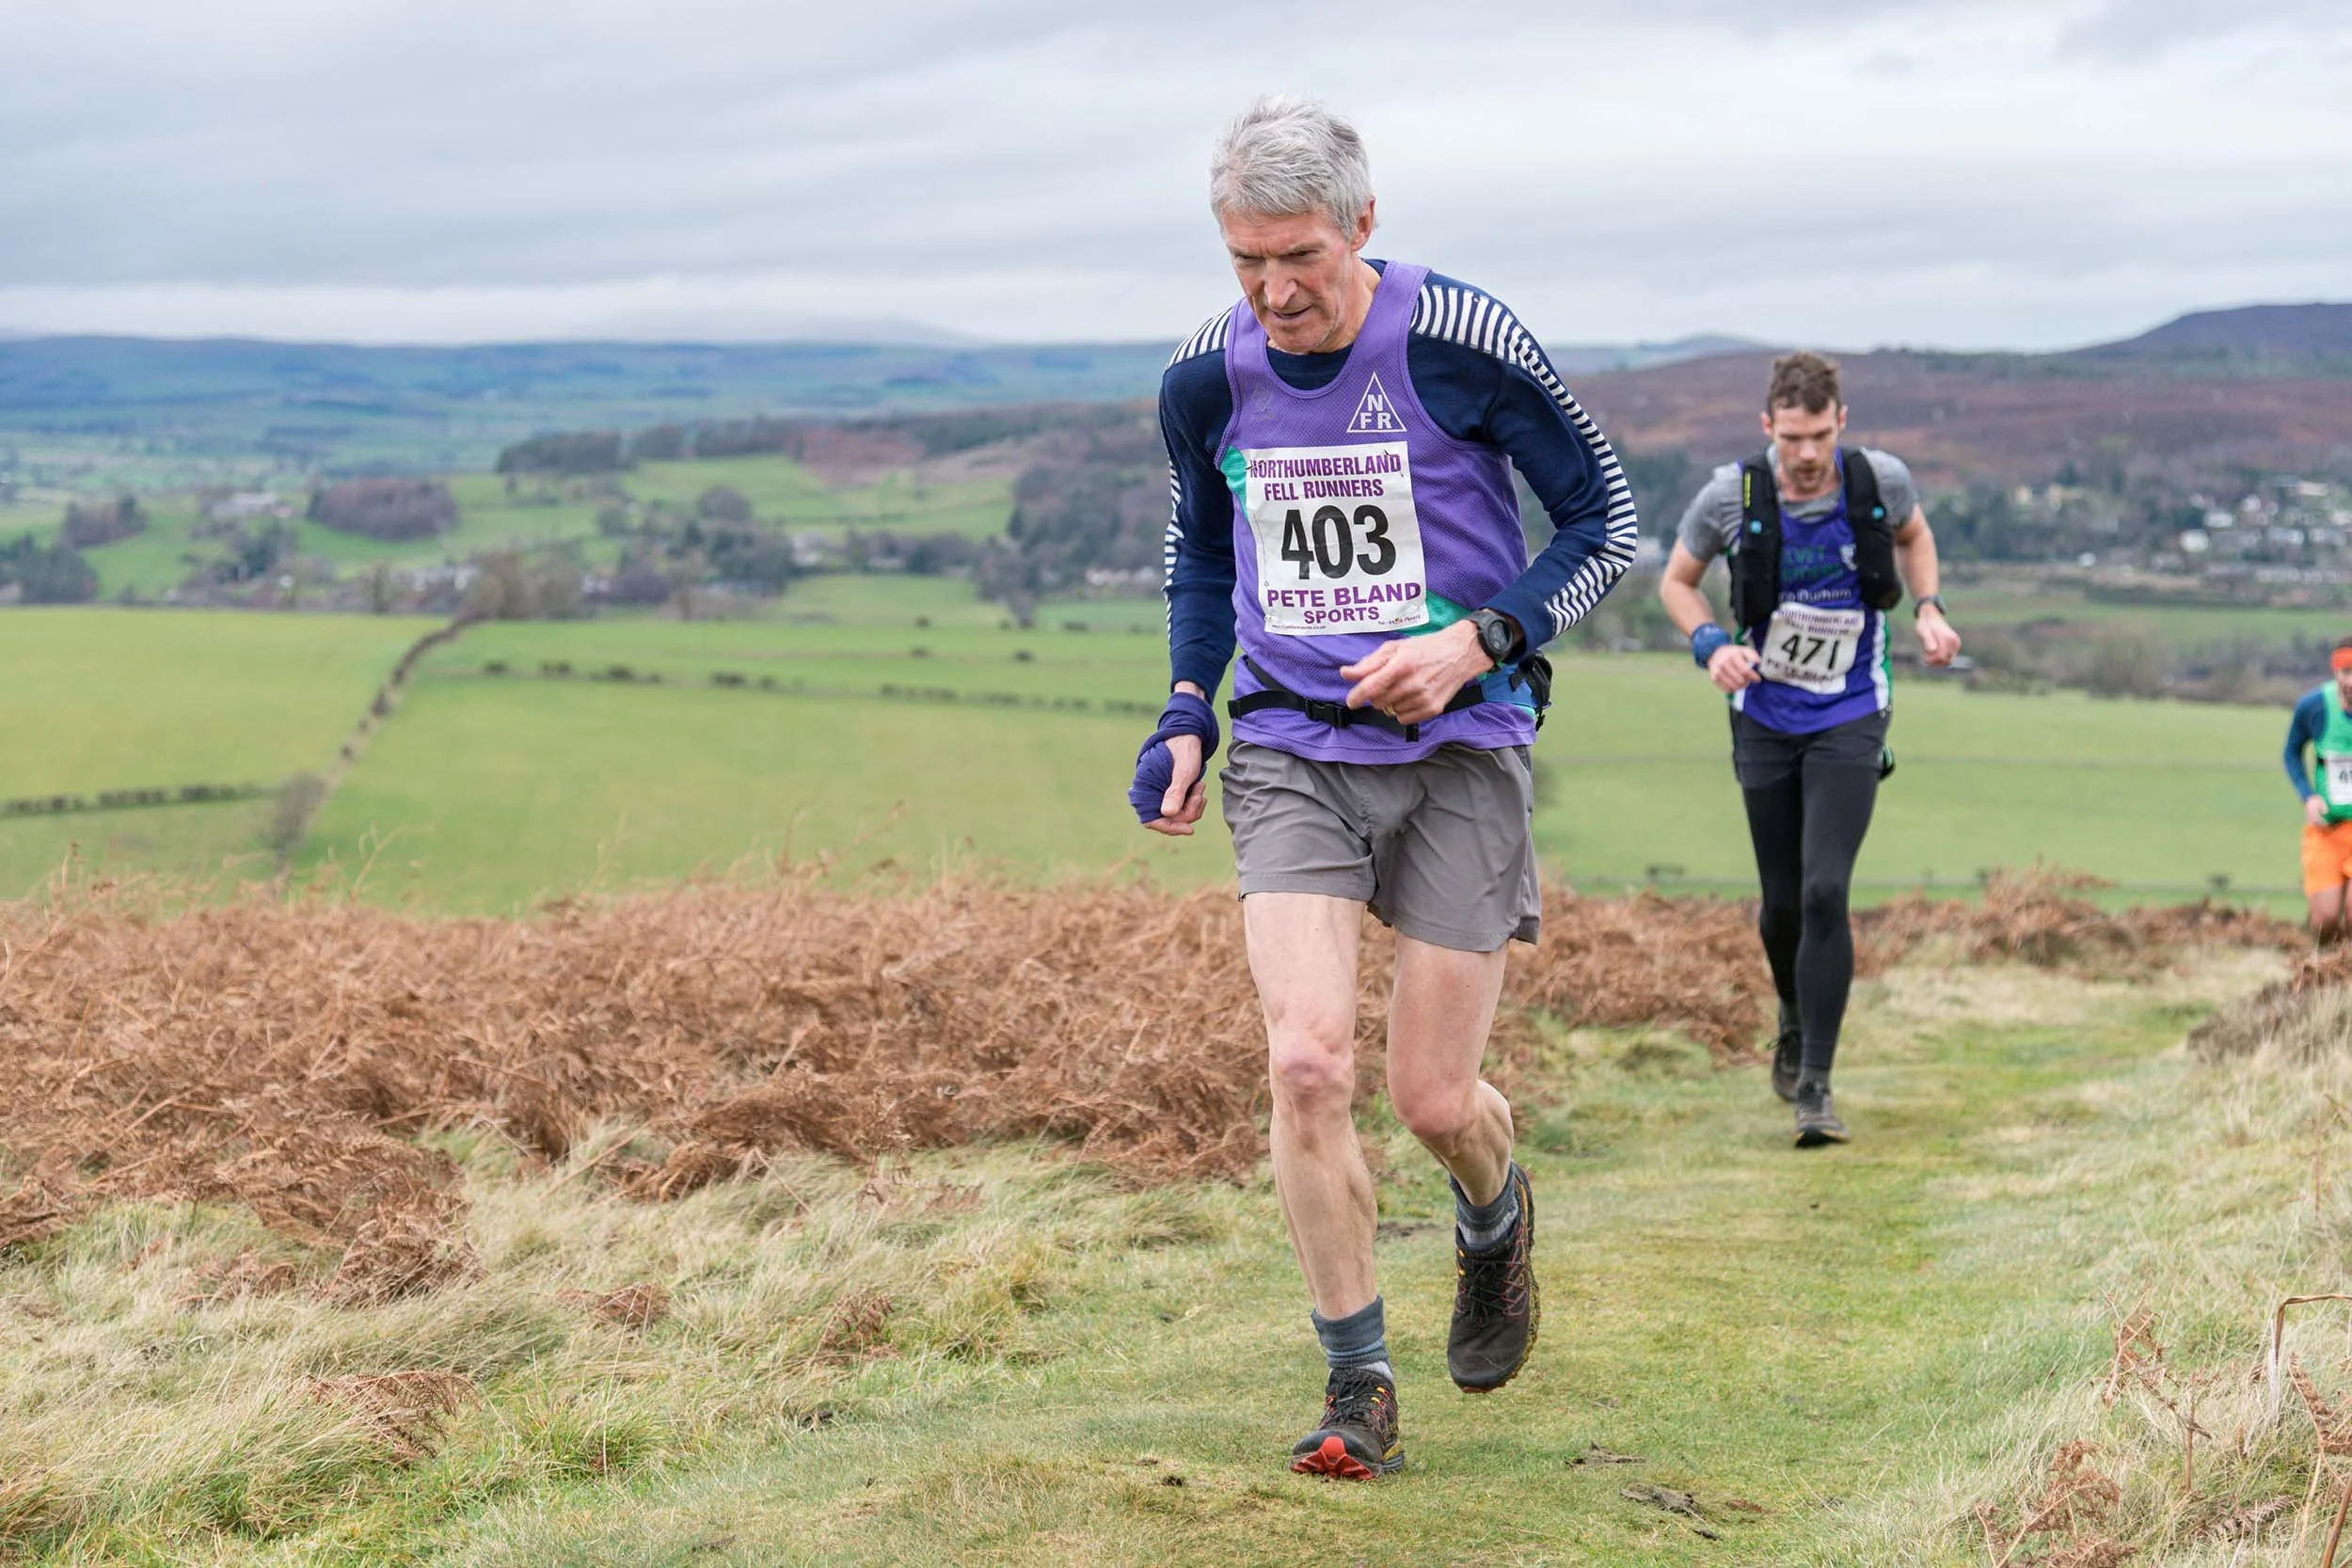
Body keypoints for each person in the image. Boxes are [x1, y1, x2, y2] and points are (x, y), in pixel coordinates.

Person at [1128, 96, 1637, 1480]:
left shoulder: (1464, 341)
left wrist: (1478, 638)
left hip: (1464, 748)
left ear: (1362, 222)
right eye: (1246, 260)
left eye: (1299, 254)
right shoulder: (1205, 375)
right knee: (1304, 1060)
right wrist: (1188, 710)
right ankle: (1358, 1383)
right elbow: (1201, 556)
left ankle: (1493, 1212)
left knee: (1430, 1096)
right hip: (1294, 743)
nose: (1276, 289)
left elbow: (1607, 519)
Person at [1657, 352, 1962, 1148]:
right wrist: (1710, 644)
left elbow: (1915, 534)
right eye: (1790, 436)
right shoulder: (1733, 494)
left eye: (1819, 434)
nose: (1804, 453)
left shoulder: (1878, 480)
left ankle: (1817, 1085)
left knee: (1828, 889)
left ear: (1841, 422)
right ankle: (1792, 1014)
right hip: (1760, 708)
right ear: (1768, 426)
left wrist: (1928, 607)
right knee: (1783, 899)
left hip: (1853, 708)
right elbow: (1677, 582)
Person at [2282, 636, 2352, 943]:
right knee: (2325, 921)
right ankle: (2325, 978)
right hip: (2327, 831)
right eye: (2346, 672)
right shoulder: (2313, 707)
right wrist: (2307, 796)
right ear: (2335, 671)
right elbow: (2291, 752)